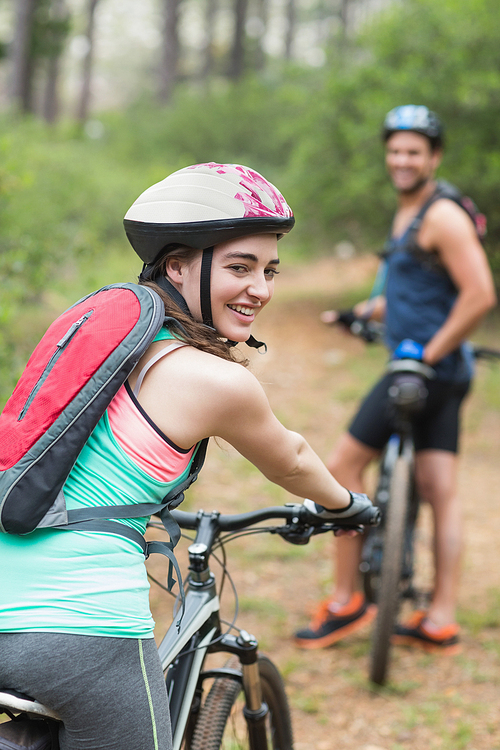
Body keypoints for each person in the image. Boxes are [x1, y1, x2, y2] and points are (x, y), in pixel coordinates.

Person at [0, 162, 374, 750]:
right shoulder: (213, 380)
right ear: (176, 266)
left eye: (269, 270)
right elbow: (292, 461)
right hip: (78, 632)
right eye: (239, 267)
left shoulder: (104, 346)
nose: (261, 289)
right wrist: (348, 504)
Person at [294, 107, 497, 653]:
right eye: (395, 150)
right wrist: (367, 311)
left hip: (424, 368)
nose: (402, 160)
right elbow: (425, 293)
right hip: (447, 373)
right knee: (439, 491)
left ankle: (346, 601)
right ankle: (441, 618)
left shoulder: (441, 215)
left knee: (340, 466)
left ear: (434, 157)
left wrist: (423, 354)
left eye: (414, 151)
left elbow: (480, 294)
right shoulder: (412, 211)